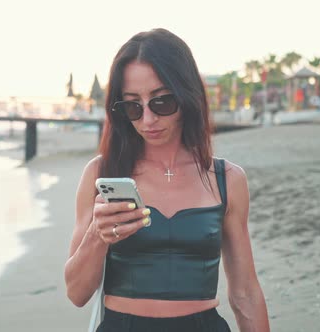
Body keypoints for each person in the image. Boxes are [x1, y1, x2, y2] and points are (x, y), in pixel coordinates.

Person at [64, 28, 270, 331]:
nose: (148, 120)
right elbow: (76, 293)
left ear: (187, 96)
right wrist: (98, 234)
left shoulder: (227, 179)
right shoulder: (101, 174)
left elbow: (245, 293)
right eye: (133, 106)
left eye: (161, 102)